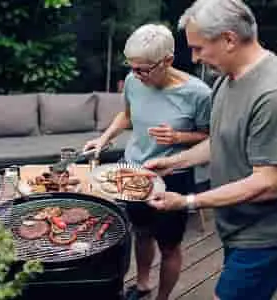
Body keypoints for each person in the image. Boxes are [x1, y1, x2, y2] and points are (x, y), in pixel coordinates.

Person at [143, 1, 277, 300]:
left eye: (199, 48)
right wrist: (173, 163)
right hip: (237, 220)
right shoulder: (228, 79)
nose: (195, 58)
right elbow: (224, 139)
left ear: (228, 39)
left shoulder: (275, 96)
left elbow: (269, 184)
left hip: (267, 229)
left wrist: (187, 201)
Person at [83, 24, 212, 300]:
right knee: (141, 233)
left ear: (167, 61)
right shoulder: (134, 81)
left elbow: (209, 138)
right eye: (132, 67)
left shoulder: (199, 94)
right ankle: (142, 285)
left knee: (169, 246)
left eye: (143, 69)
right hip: (132, 170)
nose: (135, 75)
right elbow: (127, 116)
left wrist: (179, 135)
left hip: (172, 178)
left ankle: (162, 298)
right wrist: (104, 139)